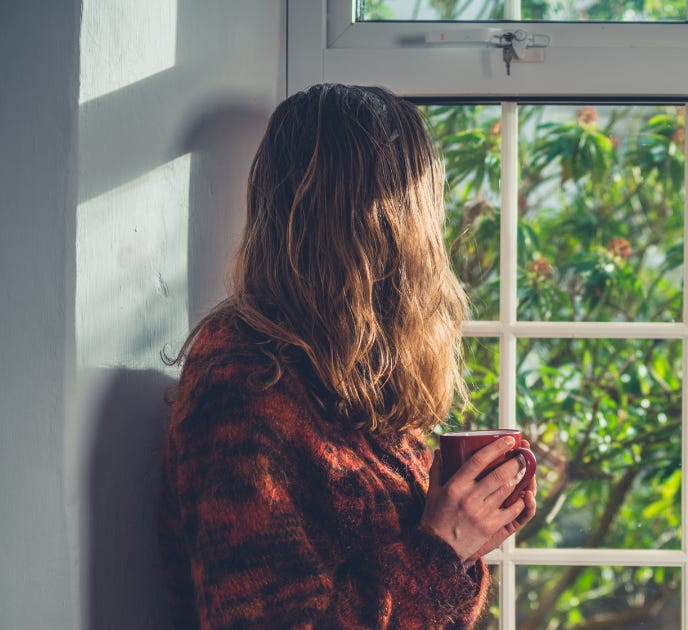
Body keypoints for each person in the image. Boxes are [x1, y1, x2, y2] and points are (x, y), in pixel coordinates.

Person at [158, 83, 536, 629]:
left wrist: (463, 534)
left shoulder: (346, 377)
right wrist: (442, 547)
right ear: (393, 219)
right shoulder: (244, 384)